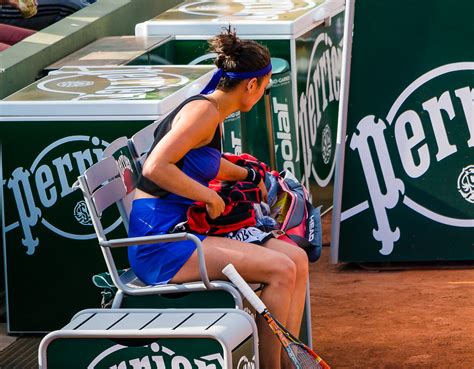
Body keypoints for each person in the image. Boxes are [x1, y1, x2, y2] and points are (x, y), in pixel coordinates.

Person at [129, 27, 309, 369]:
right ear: (251, 85)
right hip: (163, 242)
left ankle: (289, 363)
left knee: (295, 260)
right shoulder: (205, 114)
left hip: (184, 229)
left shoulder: (212, 108)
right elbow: (155, 168)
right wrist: (209, 199)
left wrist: (251, 175)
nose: (264, 93)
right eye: (266, 87)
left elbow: (200, 162)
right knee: (281, 270)